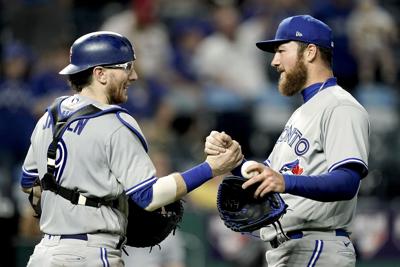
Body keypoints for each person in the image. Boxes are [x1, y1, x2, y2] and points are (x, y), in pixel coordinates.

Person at [20, 31, 243, 267]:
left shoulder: (49, 117)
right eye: (126, 67)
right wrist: (211, 168)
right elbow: (150, 196)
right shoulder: (114, 124)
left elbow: (29, 184)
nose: (134, 76)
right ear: (100, 73)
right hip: (90, 255)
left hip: (44, 254)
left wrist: (68, 208)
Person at [205, 15, 369, 267]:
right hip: (291, 248)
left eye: (282, 50)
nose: (275, 61)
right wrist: (234, 161)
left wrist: (285, 181)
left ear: (310, 52)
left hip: (316, 246)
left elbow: (348, 181)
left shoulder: (340, 106)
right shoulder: (302, 112)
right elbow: (268, 178)